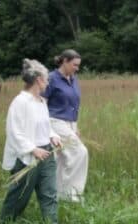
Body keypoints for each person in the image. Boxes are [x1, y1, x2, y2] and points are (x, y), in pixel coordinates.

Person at [0, 59, 62, 224]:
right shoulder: (20, 102)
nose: (48, 82)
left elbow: (46, 127)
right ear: (39, 80)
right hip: (27, 157)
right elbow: (14, 132)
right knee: (19, 196)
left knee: (49, 192)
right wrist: (33, 149)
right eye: (46, 79)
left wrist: (53, 137)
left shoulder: (41, 102)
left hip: (47, 154)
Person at [42, 49, 88, 203]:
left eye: (78, 65)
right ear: (65, 62)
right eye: (75, 65)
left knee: (61, 159)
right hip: (55, 122)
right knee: (80, 152)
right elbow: (42, 103)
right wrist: (46, 129)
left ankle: (60, 194)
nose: (77, 68)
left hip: (70, 123)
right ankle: (73, 194)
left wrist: (75, 127)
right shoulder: (51, 79)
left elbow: (74, 104)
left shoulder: (73, 79)